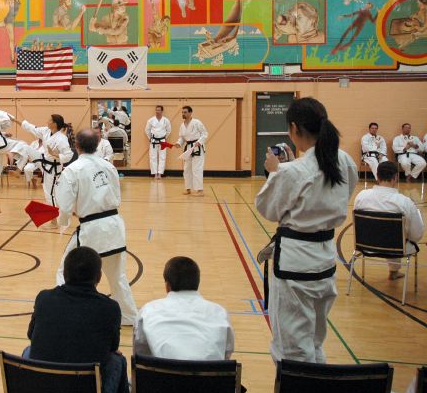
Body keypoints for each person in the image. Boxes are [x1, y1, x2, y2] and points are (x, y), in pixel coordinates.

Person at [255, 97, 358, 363]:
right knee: (314, 340)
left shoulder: (294, 172)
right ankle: (317, 380)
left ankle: (299, 382)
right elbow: (342, 191)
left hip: (295, 267)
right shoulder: (344, 161)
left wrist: (274, 172)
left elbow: (269, 209)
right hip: (325, 261)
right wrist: (285, 169)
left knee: (291, 350)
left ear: (293, 128)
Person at [55, 128, 138, 326]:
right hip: (114, 225)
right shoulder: (109, 167)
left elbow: (64, 207)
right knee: (117, 276)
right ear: (98, 144)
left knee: (65, 270)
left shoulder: (72, 170)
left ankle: (63, 311)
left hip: (92, 229)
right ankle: (129, 317)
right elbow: (115, 196)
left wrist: (63, 221)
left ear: (76, 146)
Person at [26, 246, 127, 393]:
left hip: (43, 389)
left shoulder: (44, 298)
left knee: (28, 351)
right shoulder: (110, 307)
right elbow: (113, 346)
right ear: (99, 277)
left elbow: (31, 335)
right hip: (85, 390)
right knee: (117, 360)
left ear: (64, 274)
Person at [134, 256, 234, 360]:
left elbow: (140, 355)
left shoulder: (148, 310)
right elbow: (226, 354)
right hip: (211, 370)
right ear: (197, 283)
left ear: (167, 286)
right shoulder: (219, 312)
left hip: (162, 370)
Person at [353, 161, 424, 280]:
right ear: (396, 177)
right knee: (398, 236)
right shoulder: (404, 202)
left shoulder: (361, 196)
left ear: (377, 176)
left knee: (389, 233)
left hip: (366, 245)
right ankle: (394, 270)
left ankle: (394, 271)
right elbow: (417, 235)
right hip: (395, 248)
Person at [19, 114, 73, 209]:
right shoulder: (46, 131)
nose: (47, 121)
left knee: (49, 193)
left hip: (53, 168)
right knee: (25, 147)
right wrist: (16, 120)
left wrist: (55, 154)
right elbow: (32, 128)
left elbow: (68, 155)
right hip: (43, 160)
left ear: (55, 124)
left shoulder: (62, 139)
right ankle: (18, 169)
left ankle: (54, 213)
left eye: (50, 120)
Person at [175, 106, 208, 196]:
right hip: (188, 148)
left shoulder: (197, 122)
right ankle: (188, 188)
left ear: (190, 112)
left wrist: (199, 142)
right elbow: (182, 138)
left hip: (197, 147)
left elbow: (205, 133)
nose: (183, 114)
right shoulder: (182, 125)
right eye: (182, 112)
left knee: (197, 169)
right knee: (187, 169)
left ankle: (200, 190)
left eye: (185, 112)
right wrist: (178, 143)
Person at [145, 105, 172, 179]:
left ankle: (160, 173)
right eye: (156, 110)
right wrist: (150, 138)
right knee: (153, 157)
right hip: (153, 141)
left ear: (162, 111)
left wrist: (165, 137)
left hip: (162, 140)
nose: (157, 111)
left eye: (159, 110)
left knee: (162, 157)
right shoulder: (151, 120)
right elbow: (147, 130)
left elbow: (169, 130)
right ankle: (155, 173)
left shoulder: (166, 120)